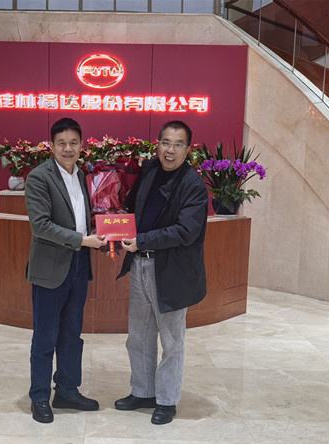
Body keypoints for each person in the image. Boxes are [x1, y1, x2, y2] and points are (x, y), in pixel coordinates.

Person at [115, 120, 208, 425]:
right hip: (140, 264)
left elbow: (185, 231)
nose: (170, 150)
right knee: (139, 335)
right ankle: (143, 391)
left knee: (171, 340)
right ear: (157, 144)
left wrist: (141, 240)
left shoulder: (193, 185)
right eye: (166, 142)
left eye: (178, 144)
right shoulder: (150, 170)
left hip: (171, 272)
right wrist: (113, 225)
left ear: (188, 149)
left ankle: (167, 400)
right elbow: (133, 209)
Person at [25, 117, 107, 423]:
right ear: (52, 146)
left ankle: (67, 390)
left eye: (73, 143)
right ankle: (39, 397)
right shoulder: (39, 177)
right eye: (61, 143)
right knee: (45, 336)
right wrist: (83, 240)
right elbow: (41, 225)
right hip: (50, 269)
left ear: (81, 145)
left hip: (79, 266)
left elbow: (86, 218)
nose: (68, 149)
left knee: (72, 334)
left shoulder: (83, 175)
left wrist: (102, 234)